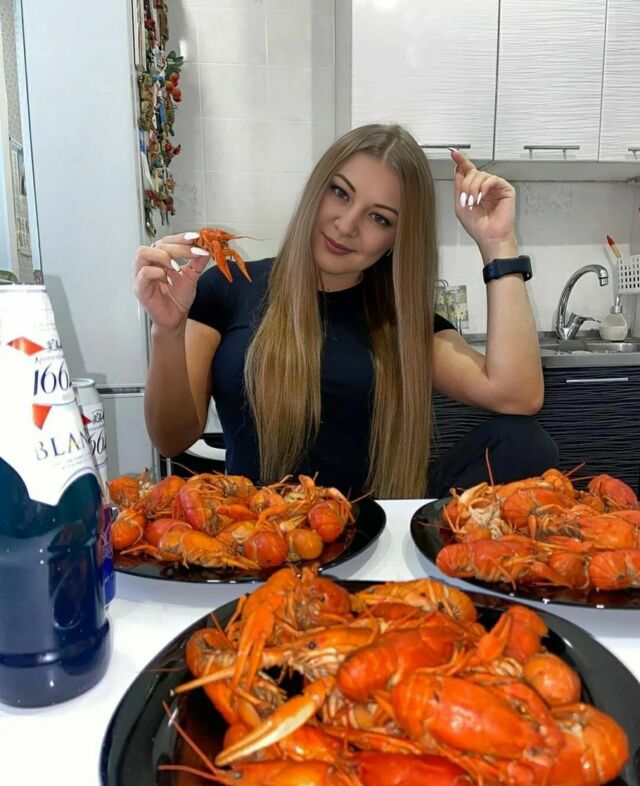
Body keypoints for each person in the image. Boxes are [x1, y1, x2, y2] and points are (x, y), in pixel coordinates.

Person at [133, 124, 557, 500]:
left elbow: (518, 396)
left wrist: (499, 243)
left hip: (369, 539)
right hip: (258, 538)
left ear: (396, 240)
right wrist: (167, 332)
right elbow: (171, 440)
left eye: (379, 218)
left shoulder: (403, 324)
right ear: (316, 189)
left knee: (525, 442)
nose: (347, 224)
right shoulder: (228, 286)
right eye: (340, 193)